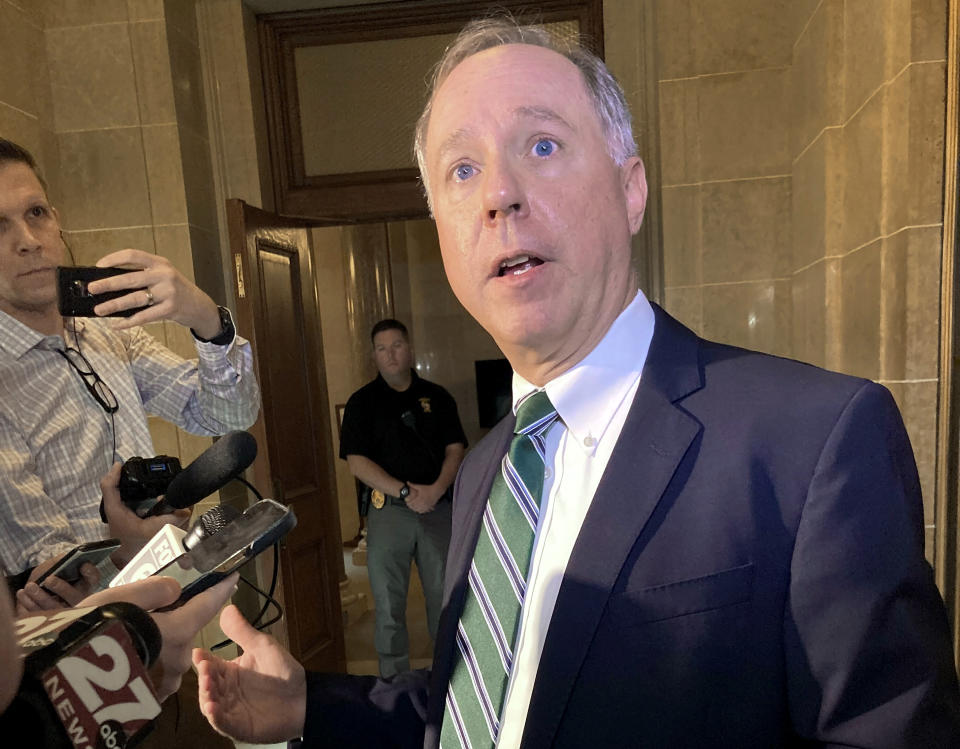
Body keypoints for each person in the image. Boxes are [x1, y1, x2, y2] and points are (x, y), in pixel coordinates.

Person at [192, 16, 960, 748]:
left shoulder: (815, 441)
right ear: (444, 238)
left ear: (631, 190)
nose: (499, 193)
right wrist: (304, 705)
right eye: (463, 169)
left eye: (544, 145)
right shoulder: (492, 465)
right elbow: (496, 702)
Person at [0, 138, 260, 605]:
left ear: (57, 220)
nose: (28, 241)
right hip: (86, 655)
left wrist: (207, 321)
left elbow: (226, 416)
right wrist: (126, 548)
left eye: (36, 213)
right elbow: (46, 575)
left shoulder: (107, 333)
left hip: (164, 609)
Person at [339, 319, 467, 678]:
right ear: (374, 356)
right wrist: (406, 492)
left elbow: (455, 449)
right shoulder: (362, 403)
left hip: (436, 509)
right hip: (389, 512)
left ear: (409, 350)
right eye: (382, 348)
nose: (390, 354)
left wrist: (436, 490)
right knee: (389, 605)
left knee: (445, 600)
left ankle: (448, 678)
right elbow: (356, 462)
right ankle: (393, 681)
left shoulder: (438, 397)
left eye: (396, 346)